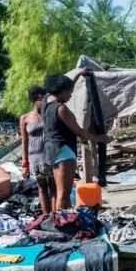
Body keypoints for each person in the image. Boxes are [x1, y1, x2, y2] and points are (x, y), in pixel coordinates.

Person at [42, 69, 109, 211]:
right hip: (64, 150)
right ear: (62, 91)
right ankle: (62, 224)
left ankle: (63, 219)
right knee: (63, 194)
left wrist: (78, 74)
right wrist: (98, 139)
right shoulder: (61, 109)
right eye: (70, 92)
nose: (71, 95)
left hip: (51, 149)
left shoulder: (46, 101)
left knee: (60, 192)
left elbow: (65, 86)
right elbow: (79, 131)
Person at [20, 85, 55, 214]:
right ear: (34, 100)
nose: (43, 101)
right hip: (35, 157)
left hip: (50, 155)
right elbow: (24, 142)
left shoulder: (49, 114)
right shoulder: (25, 118)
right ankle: (46, 216)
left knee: (54, 188)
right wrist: (25, 163)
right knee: (42, 189)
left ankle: (55, 216)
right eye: (41, 99)